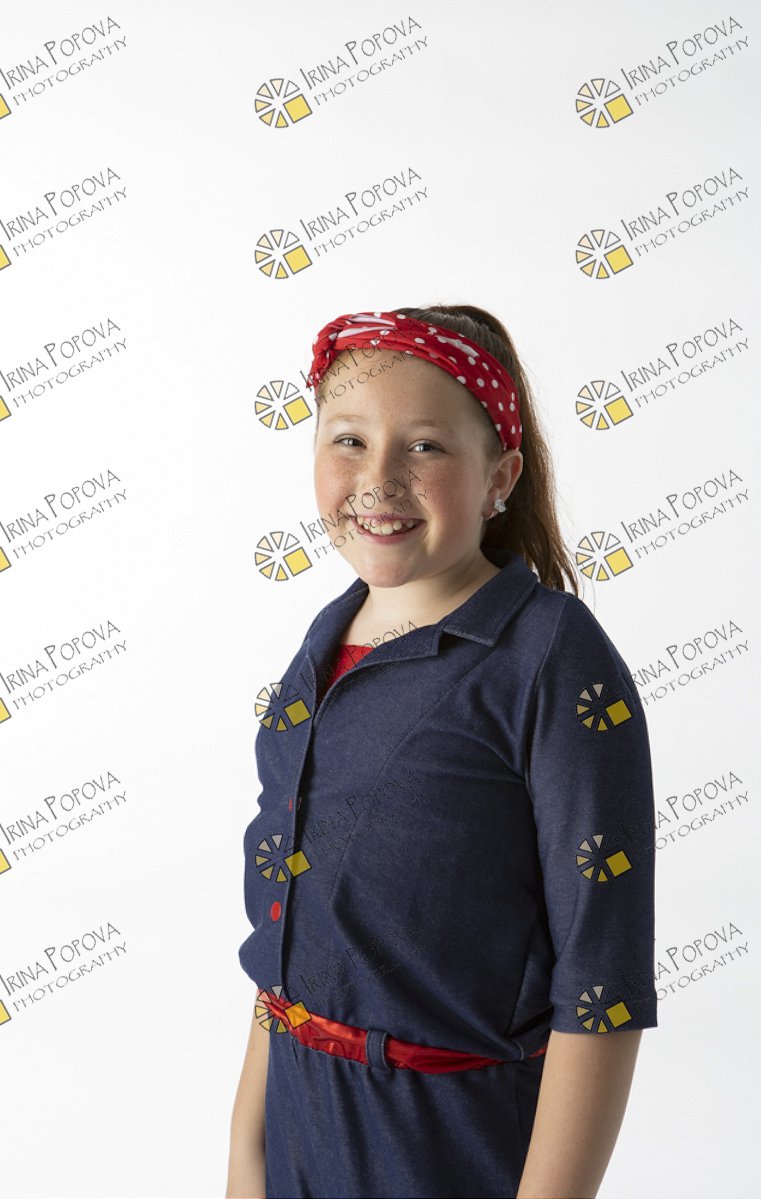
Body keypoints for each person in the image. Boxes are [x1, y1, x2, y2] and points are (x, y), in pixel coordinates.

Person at [226, 305, 658, 1199]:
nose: (378, 478)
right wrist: (246, 1160)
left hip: (451, 1148)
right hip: (300, 1132)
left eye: (424, 446)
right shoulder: (322, 644)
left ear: (500, 476)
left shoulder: (553, 658)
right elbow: (290, 950)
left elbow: (601, 986)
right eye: (349, 439)